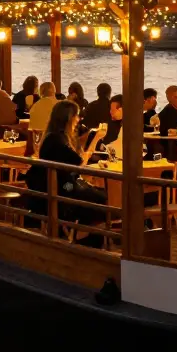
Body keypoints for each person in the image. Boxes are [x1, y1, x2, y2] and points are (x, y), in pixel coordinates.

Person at [26, 99, 107, 247]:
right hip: (64, 188)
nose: (79, 119)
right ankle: (85, 237)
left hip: (60, 184)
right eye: (77, 116)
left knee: (99, 195)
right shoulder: (57, 139)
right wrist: (95, 138)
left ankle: (84, 234)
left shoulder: (53, 136)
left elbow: (73, 156)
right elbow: (80, 162)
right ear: (69, 118)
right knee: (102, 199)